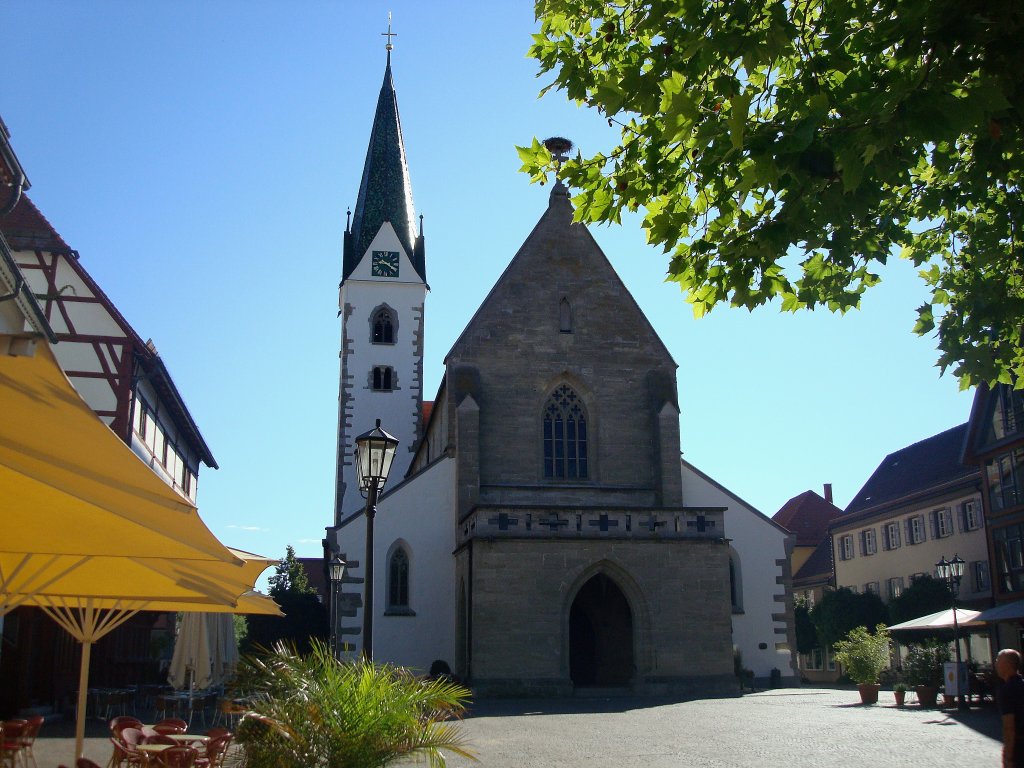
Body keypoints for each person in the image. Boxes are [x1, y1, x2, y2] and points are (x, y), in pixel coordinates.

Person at [997, 649, 1024, 768]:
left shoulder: (1007, 690)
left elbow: (1009, 727)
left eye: (998, 660)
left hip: (1019, 747)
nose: (996, 663)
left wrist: (1008, 756)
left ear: (1007, 665)